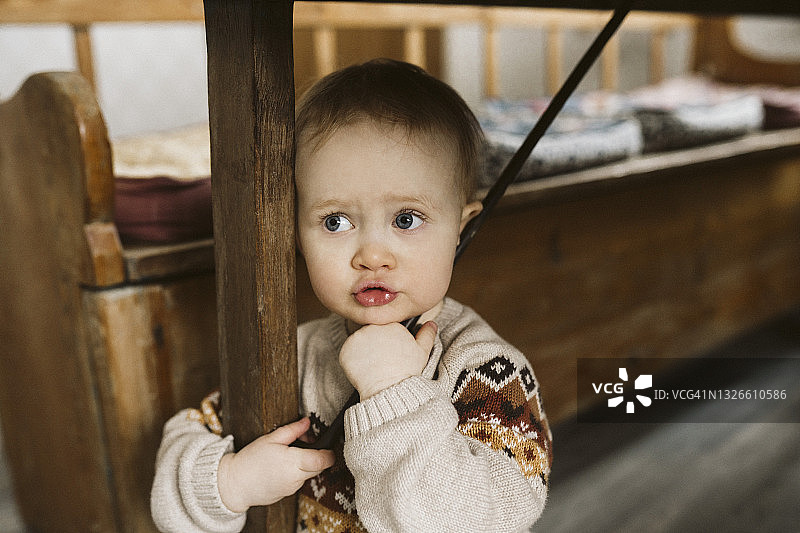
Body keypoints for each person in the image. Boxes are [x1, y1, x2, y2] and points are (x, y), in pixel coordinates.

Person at [151, 58, 552, 533]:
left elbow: (486, 520)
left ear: (460, 230)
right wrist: (228, 483)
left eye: (406, 219)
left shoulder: (487, 370)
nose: (372, 255)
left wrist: (395, 395)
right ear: (297, 236)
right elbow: (187, 436)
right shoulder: (293, 356)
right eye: (335, 221)